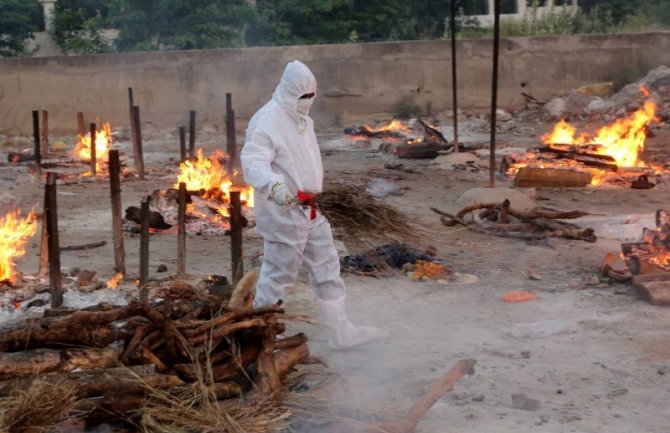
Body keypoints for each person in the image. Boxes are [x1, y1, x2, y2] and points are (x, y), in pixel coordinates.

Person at [240, 60, 387, 349]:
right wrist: (276, 188)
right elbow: (253, 163)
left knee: (327, 265)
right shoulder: (266, 121)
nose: (308, 102)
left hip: (309, 208)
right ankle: (262, 337)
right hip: (282, 211)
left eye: (312, 96)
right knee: (278, 272)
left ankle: (341, 332)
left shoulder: (302, 120)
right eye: (302, 96)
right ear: (288, 92)